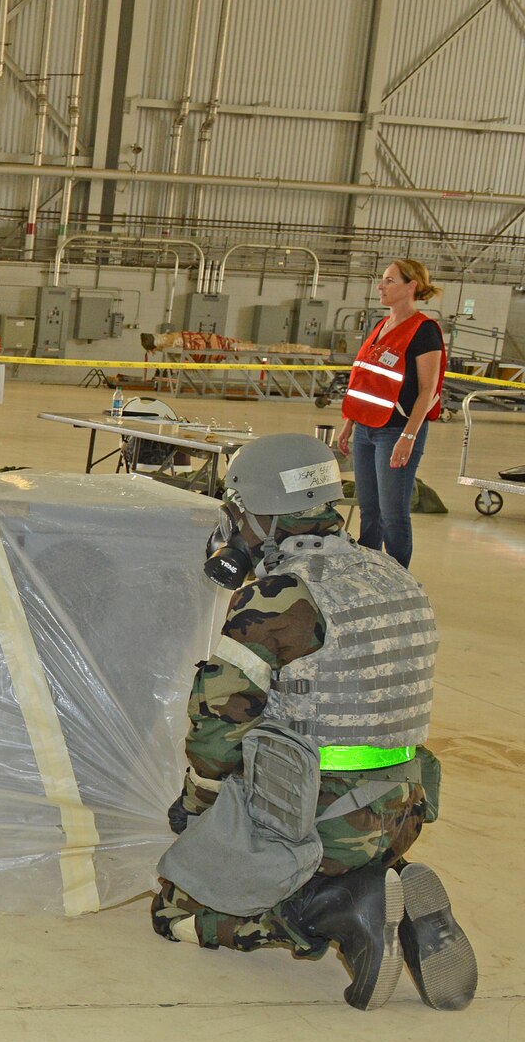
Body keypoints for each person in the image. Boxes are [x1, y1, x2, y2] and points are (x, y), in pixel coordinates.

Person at [151, 434, 473, 1012]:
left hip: (317, 817)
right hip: (402, 807)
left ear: (262, 515)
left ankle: (335, 910)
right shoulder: (394, 575)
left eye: (239, 512)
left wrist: (197, 812)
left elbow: (218, 730)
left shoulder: (278, 596)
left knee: (176, 910)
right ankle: (380, 876)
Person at [335, 258, 444, 568]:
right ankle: (368, 570)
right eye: (382, 280)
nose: (380, 286)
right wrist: (348, 425)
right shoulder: (382, 326)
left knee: (393, 512)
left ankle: (398, 579)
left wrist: (408, 436)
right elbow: (366, 381)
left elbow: (428, 389)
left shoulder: (424, 331)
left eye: (389, 281)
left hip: (396, 432)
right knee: (369, 508)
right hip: (365, 429)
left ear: (412, 286)